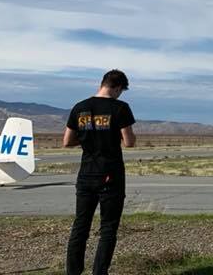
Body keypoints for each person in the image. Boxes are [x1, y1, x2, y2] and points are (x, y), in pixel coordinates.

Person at [63, 69, 136, 275]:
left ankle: (73, 272)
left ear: (102, 83)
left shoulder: (80, 107)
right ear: (118, 88)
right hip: (111, 174)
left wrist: (87, 139)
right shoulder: (120, 108)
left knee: (80, 226)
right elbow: (129, 142)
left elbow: (67, 141)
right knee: (108, 228)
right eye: (120, 91)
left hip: (86, 173)